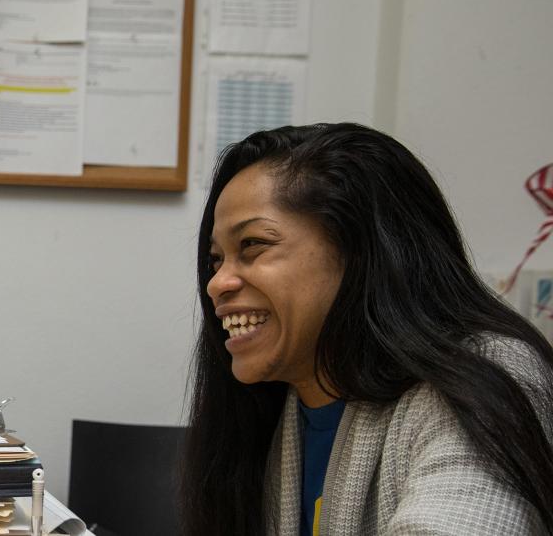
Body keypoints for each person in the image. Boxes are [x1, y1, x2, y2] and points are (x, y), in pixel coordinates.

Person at [180, 123, 553, 535]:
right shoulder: (270, 412)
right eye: (216, 260)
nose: (216, 283)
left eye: (252, 244)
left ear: (361, 251)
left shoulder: (488, 375)